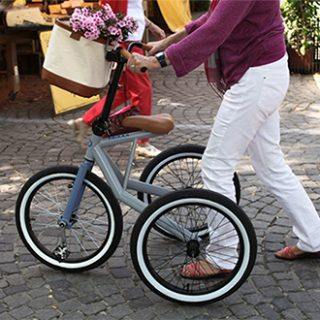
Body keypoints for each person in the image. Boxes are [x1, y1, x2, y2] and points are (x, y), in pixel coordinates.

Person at [128, 0, 320, 278]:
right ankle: (314, 236)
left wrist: (156, 62)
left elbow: (215, 29)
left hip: (257, 78)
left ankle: (223, 255)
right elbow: (211, 17)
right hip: (264, 73)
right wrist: (168, 42)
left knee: (216, 166)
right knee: (271, 165)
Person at [69, 0, 166, 157]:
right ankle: (143, 142)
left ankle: (85, 121)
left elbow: (133, 7)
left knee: (123, 92)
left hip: (131, 40)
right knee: (143, 91)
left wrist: (149, 25)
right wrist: (118, 45)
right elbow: (110, 12)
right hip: (127, 43)